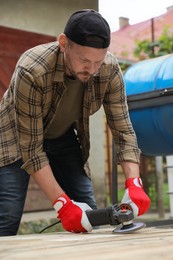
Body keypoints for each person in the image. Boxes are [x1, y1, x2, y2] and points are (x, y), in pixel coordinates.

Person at [0, 9, 150, 236]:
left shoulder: (109, 70)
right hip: (14, 136)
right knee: (7, 216)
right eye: (84, 60)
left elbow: (123, 129)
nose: (91, 69)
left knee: (89, 213)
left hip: (61, 135)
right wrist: (62, 204)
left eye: (98, 61)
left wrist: (134, 182)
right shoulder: (32, 69)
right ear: (63, 43)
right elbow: (31, 148)